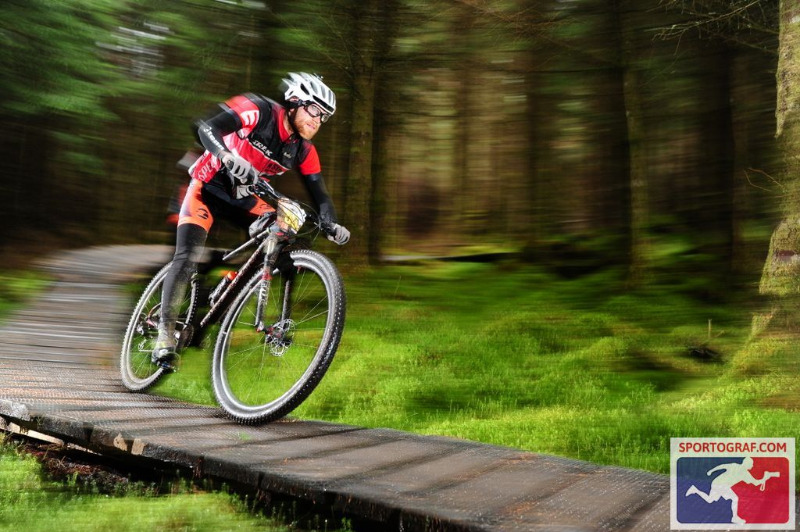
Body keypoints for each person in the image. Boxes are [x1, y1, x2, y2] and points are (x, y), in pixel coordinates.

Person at [152, 72, 350, 365]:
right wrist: (226, 155)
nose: (317, 120)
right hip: (207, 188)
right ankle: (164, 335)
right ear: (294, 102)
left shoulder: (304, 151)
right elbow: (205, 126)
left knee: (283, 229)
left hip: (245, 199)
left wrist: (331, 224)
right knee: (187, 256)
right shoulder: (258, 110)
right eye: (314, 110)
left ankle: (231, 287)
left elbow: (320, 195)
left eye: (324, 116)